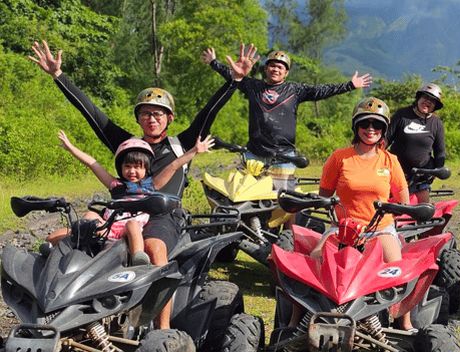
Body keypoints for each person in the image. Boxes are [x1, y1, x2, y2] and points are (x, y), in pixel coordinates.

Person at [29, 39, 237, 329]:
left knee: (153, 248)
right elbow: (92, 114)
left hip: (164, 217)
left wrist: (234, 81)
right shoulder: (129, 145)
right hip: (122, 212)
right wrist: (58, 76)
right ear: (139, 117)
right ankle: (64, 317)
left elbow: (209, 111)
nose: (151, 118)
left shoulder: (183, 144)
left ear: (169, 118)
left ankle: (162, 329)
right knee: (76, 240)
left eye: (158, 113)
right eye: (145, 113)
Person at [202, 44, 372, 190]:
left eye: (280, 67)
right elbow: (233, 74)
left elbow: (321, 90)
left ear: (286, 72)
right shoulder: (253, 86)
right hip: (254, 154)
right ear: (266, 68)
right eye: (272, 65)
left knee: (284, 203)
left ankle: (290, 230)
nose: (275, 69)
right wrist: (213, 62)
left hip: (284, 156)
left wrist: (350, 85)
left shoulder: (294, 90)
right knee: (243, 195)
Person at [314, 97, 413, 330]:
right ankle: (295, 321)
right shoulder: (340, 157)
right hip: (342, 228)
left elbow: (403, 199)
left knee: (398, 270)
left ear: (384, 130)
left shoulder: (390, 160)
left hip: (379, 229)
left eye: (377, 125)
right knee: (313, 260)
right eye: (365, 123)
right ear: (356, 127)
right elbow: (324, 195)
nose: (370, 129)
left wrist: (399, 210)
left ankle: (403, 322)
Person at [55, 131, 214, 267]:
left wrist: (194, 150)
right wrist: (70, 148)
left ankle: (139, 256)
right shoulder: (115, 184)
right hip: (109, 226)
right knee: (89, 216)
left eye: (138, 167)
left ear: (146, 169)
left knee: (132, 225)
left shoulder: (151, 185)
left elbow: (173, 165)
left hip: (131, 229)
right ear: (121, 167)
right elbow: (93, 163)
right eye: (128, 166)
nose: (132, 171)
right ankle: (55, 249)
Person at [386, 83, 446, 203]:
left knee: (423, 213)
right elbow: (386, 140)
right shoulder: (402, 115)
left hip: (421, 176)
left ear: (435, 106)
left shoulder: (436, 123)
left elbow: (440, 152)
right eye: (425, 98)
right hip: (397, 173)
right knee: (393, 209)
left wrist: (437, 171)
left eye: (432, 101)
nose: (428, 102)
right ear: (418, 98)